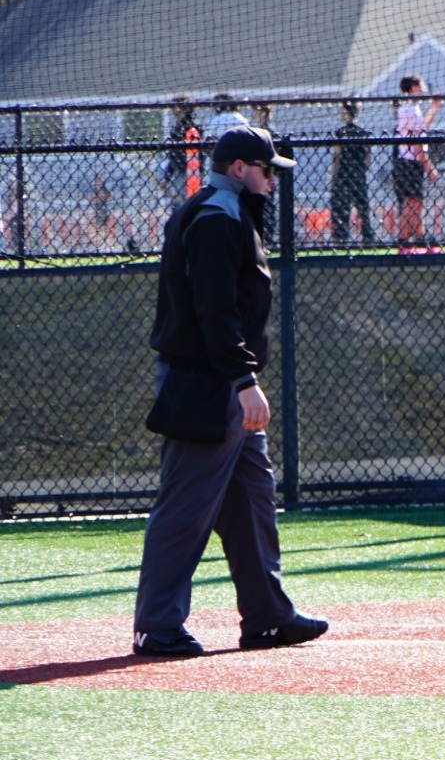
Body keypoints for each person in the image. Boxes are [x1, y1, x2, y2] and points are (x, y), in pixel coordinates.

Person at [133, 126, 328, 657]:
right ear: (239, 169)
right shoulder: (216, 217)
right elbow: (214, 311)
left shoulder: (226, 210)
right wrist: (244, 381)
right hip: (208, 384)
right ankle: (157, 625)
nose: (272, 180)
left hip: (222, 382)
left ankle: (267, 617)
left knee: (252, 502)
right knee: (187, 507)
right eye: (266, 170)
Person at [394, 75, 444, 251]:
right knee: (413, 202)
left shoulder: (412, 108)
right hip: (410, 162)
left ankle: (411, 239)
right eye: (421, 85)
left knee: (414, 201)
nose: (423, 89)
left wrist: (434, 108)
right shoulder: (410, 110)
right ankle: (413, 238)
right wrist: (429, 167)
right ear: (413, 87)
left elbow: (422, 129)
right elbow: (417, 143)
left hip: (408, 161)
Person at [328, 101, 374, 244]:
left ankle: (341, 237)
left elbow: (337, 155)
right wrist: (362, 169)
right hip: (359, 173)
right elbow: (368, 156)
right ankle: (367, 236)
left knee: (341, 207)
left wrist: (334, 175)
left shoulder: (340, 133)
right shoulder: (363, 133)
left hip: (343, 173)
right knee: (363, 207)